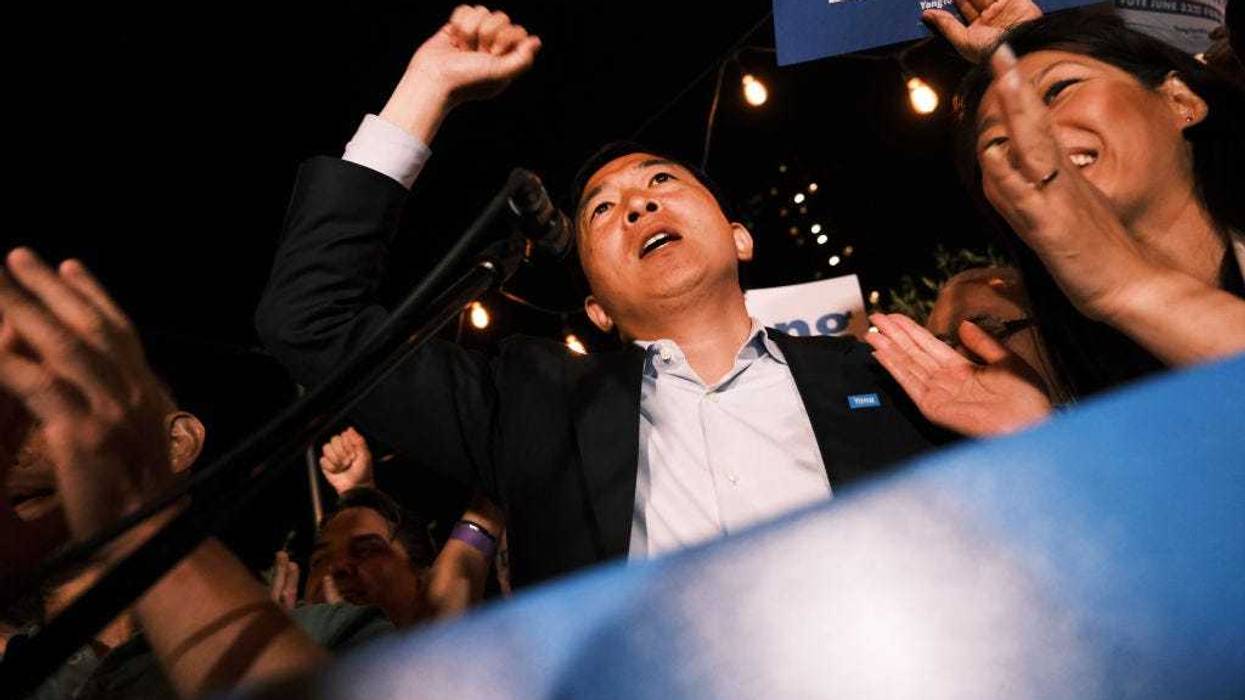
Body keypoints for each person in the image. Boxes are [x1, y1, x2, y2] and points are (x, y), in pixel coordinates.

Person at [255, 5, 948, 589]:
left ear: (739, 239)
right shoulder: (536, 406)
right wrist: (426, 85)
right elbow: (311, 321)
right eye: (601, 210)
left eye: (662, 183)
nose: (638, 205)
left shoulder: (881, 373)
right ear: (595, 307)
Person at [867, 10, 1245, 435]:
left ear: (1180, 100)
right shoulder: (1092, 371)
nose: (1029, 137)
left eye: (1059, 89)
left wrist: (1128, 286)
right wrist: (1042, 437)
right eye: (996, 140)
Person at [0, 248, 331, 698]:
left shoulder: (326, 634)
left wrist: (141, 521)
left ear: (176, 445)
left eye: (37, 407)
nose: (8, 443)